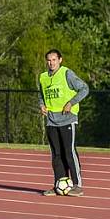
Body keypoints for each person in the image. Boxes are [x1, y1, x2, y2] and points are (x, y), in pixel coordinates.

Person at [38, 49, 89, 196]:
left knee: (69, 152)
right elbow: (41, 95)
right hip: (51, 121)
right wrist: (41, 105)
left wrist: (71, 103)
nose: (51, 62)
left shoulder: (67, 74)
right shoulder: (43, 77)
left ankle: (77, 185)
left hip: (68, 119)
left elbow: (84, 89)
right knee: (56, 155)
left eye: (54, 59)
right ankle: (58, 184)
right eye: (48, 60)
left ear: (60, 60)